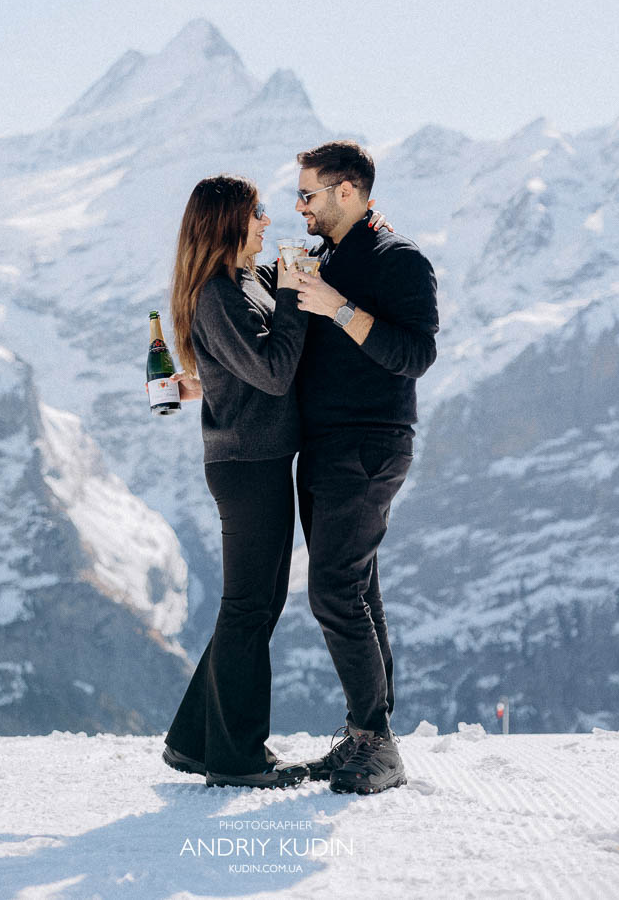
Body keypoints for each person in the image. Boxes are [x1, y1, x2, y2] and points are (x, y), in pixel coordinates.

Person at [291, 140, 439, 795]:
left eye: (308, 194)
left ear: (346, 191)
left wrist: (337, 309)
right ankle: (364, 735)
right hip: (320, 447)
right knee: (358, 591)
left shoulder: (398, 259)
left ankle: (378, 749)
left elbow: (416, 355)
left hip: (369, 446)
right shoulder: (323, 258)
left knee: (332, 591)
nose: (300, 206)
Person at [161, 174, 310, 789]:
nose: (267, 222)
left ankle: (194, 740)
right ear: (227, 223)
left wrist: (289, 277)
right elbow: (273, 373)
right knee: (249, 608)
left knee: (257, 605)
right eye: (257, 214)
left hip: (262, 460)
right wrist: (297, 297)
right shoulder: (215, 298)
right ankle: (237, 757)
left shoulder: (245, 283)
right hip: (246, 468)